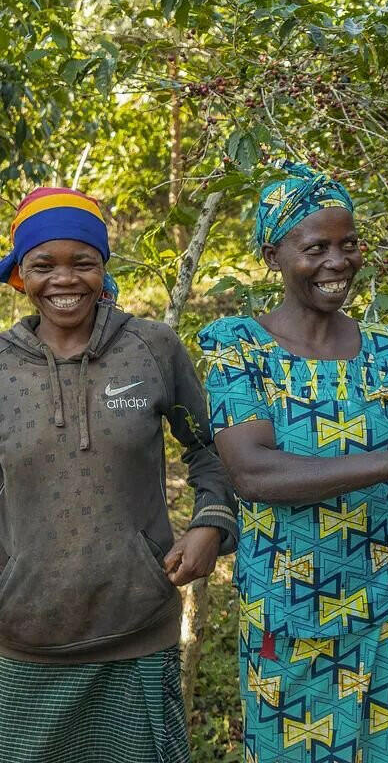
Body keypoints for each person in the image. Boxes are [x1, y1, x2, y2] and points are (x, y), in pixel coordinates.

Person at [198, 161, 388, 763]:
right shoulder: (240, 348)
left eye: (348, 244)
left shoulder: (385, 348)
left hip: (385, 606)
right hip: (290, 614)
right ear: (273, 254)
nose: (337, 262)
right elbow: (252, 474)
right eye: (315, 248)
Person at [0, 186, 239, 763]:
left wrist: (210, 522)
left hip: (137, 623)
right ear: (20, 276)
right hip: (25, 633)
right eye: (44, 265)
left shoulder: (151, 349)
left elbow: (212, 450)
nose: (64, 279)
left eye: (82, 262)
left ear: (102, 267)